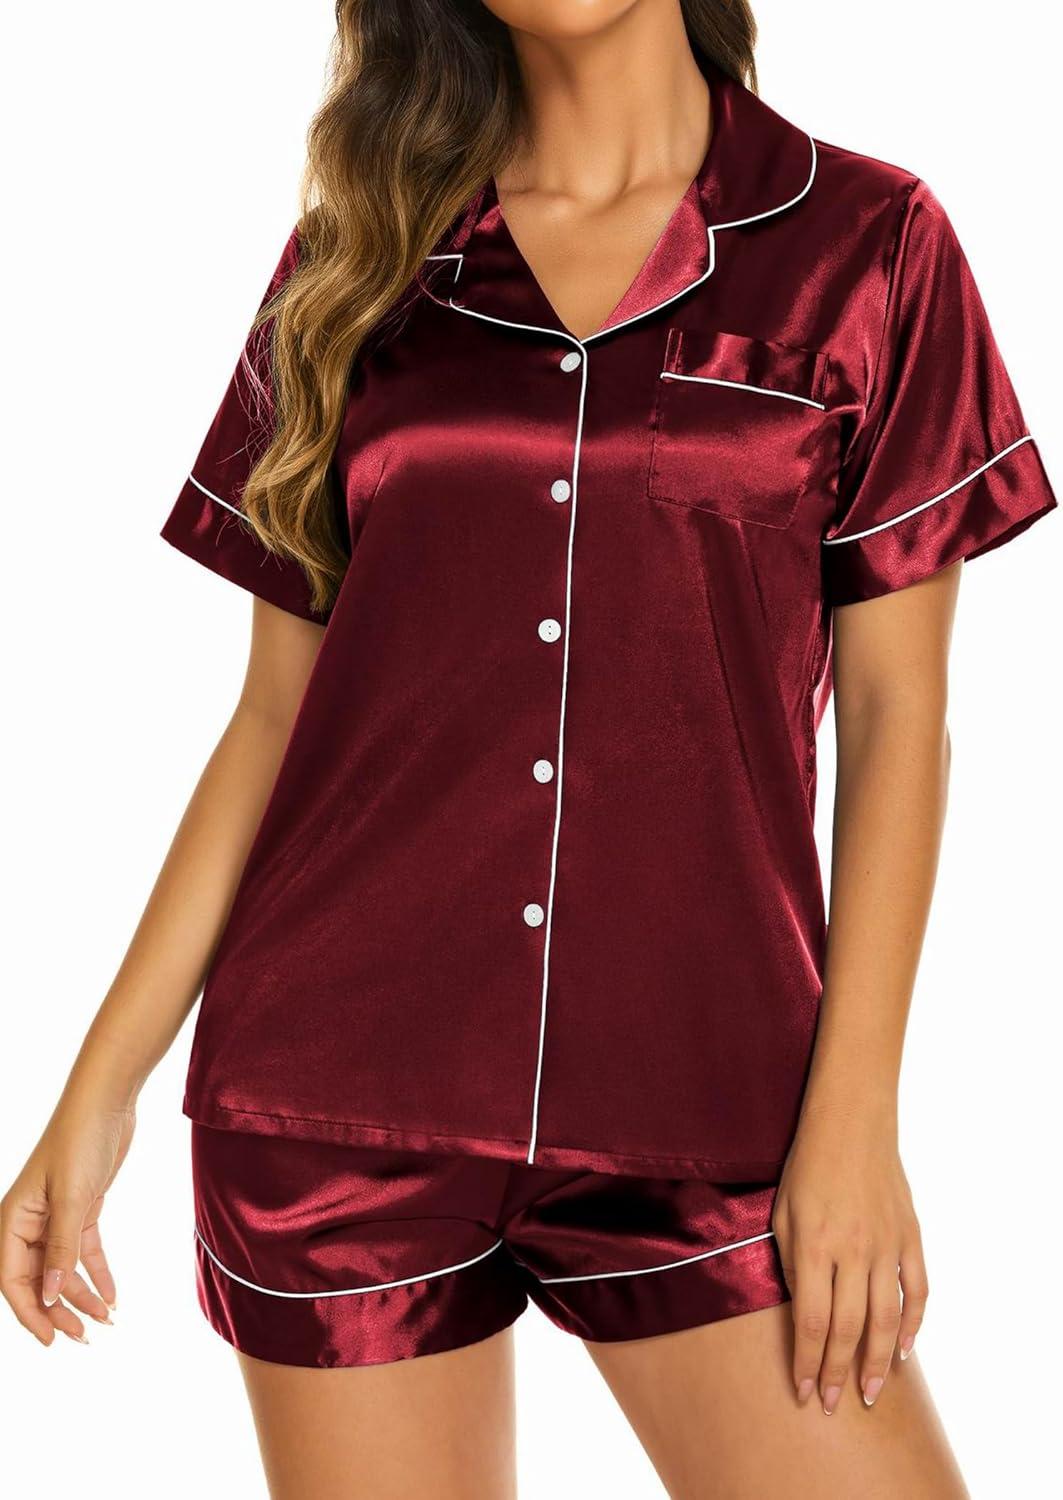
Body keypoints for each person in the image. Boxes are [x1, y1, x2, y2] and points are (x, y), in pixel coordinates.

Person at [2, 2, 1056, 1495]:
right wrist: (100, 1085)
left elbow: (900, 721)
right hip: (338, 1098)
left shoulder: (872, 247)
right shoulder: (359, 264)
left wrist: (857, 1124)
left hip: (713, 1097)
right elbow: (276, 718)